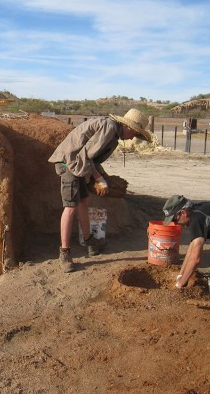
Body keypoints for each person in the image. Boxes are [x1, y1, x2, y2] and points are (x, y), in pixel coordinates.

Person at [48, 109, 152, 272]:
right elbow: (85, 156)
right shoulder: (109, 128)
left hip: (78, 165)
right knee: (70, 207)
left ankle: (90, 241)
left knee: (83, 201)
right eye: (135, 134)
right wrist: (99, 179)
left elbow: (92, 160)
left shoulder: (113, 132)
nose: (132, 138)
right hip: (68, 164)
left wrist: (104, 176)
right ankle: (65, 253)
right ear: (129, 128)